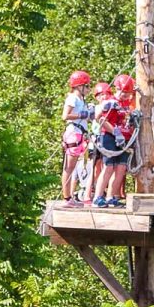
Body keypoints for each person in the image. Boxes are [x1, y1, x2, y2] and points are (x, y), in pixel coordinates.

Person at [61, 70, 91, 206]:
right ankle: (67, 197)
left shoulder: (80, 100)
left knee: (72, 167)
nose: (89, 89)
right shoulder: (73, 98)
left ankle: (69, 197)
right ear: (80, 86)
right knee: (69, 167)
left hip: (79, 133)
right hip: (73, 132)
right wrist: (81, 115)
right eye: (87, 86)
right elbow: (65, 116)